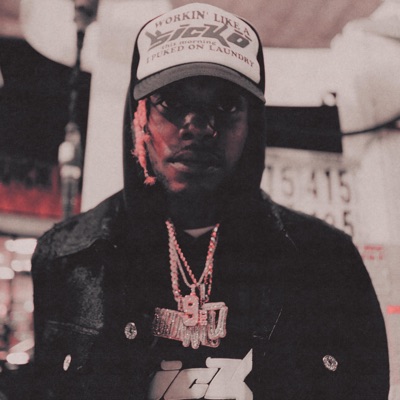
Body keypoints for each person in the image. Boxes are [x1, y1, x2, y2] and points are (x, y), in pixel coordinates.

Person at [31, 3, 389, 399]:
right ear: (138, 117)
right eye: (170, 101)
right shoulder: (70, 258)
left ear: (252, 123)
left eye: (226, 105)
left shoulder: (326, 263)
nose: (198, 126)